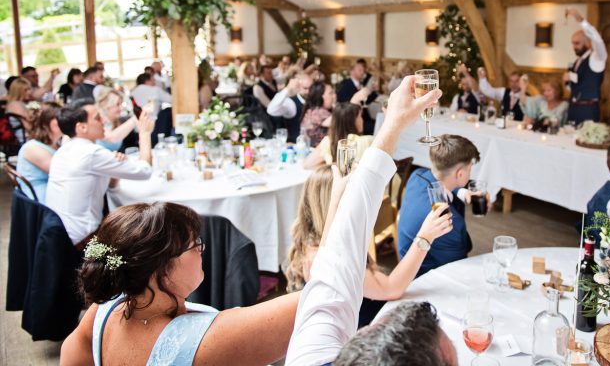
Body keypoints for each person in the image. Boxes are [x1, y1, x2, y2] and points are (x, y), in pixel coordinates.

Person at [285, 74, 453, 365]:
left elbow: (333, 262)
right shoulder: (322, 271)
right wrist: (424, 238)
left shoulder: (309, 353)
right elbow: (385, 286)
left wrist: (339, 198)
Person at [60, 202, 301, 366]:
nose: (201, 248)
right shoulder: (202, 340)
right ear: (158, 271)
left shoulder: (105, 309)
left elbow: (70, 356)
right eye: (193, 244)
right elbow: (315, 299)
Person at [285, 165, 451, 327]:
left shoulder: (317, 240)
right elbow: (392, 289)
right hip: (368, 329)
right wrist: (425, 237)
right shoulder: (330, 257)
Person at [46, 98, 154, 247]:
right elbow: (145, 171)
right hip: (83, 240)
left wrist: (114, 168)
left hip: (58, 234)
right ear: (82, 127)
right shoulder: (91, 153)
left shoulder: (65, 149)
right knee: (143, 235)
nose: (103, 120)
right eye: (97, 118)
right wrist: (145, 132)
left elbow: (111, 186)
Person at [398, 134, 487, 277]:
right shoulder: (447, 221)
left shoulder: (417, 176)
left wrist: (463, 193)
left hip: (406, 261)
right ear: (459, 174)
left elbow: (436, 179)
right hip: (425, 278)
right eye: (470, 169)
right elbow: (459, 265)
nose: (470, 173)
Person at [562, 7, 607, 125]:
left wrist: (580, 20)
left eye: (577, 43)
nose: (574, 47)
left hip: (588, 110)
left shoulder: (597, 58)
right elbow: (576, 88)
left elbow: (598, 40)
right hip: (573, 108)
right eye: (572, 43)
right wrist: (568, 81)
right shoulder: (577, 62)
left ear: (587, 42)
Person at [303, 102, 373, 170]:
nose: (362, 120)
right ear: (351, 121)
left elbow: (307, 164)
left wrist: (332, 166)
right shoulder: (366, 141)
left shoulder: (328, 141)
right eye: (360, 116)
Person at [15, 102, 62, 203]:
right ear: (48, 125)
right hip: (40, 201)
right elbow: (61, 172)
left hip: (55, 191)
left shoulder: (56, 145)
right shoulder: (33, 148)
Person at [267, 73, 313, 143]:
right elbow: (271, 110)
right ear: (298, 87)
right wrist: (288, 89)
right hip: (296, 146)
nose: (309, 91)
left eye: (311, 88)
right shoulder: (291, 103)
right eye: (305, 88)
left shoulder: (316, 100)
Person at [337, 59, 378, 134]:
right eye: (360, 70)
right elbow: (346, 106)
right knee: (378, 127)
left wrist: (374, 91)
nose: (363, 72)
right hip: (353, 121)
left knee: (379, 121)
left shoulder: (359, 84)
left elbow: (366, 101)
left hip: (364, 117)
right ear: (352, 71)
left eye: (363, 70)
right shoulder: (345, 85)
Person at [299, 81, 334, 147]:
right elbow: (340, 121)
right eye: (330, 93)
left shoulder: (312, 110)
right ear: (321, 96)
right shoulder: (317, 113)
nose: (334, 96)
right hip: (313, 152)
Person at [6, 77, 34, 143]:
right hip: (24, 139)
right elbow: (29, 126)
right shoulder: (16, 105)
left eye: (30, 89)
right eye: (26, 90)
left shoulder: (21, 103)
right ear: (19, 91)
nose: (30, 92)